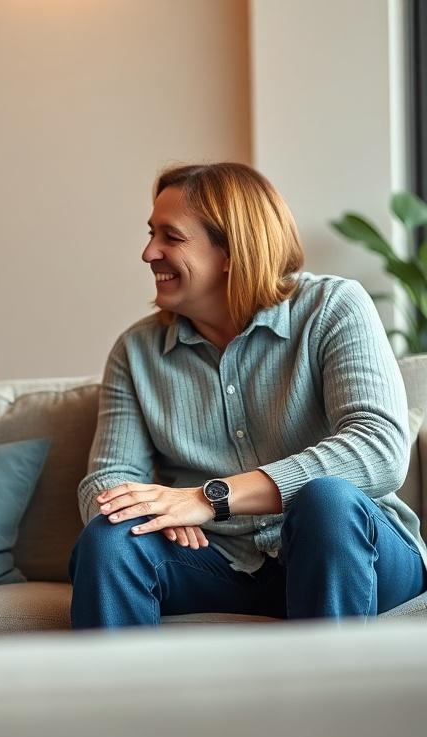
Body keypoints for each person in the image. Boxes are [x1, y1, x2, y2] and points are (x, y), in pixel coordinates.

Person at [69, 162, 427, 628]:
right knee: (110, 537)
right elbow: (108, 477)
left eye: (170, 237)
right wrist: (153, 508)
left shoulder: (333, 307)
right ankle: (115, 702)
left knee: (328, 502)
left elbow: (378, 449)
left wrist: (209, 497)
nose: (148, 253)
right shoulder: (137, 351)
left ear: (232, 250)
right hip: (215, 560)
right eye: (151, 233)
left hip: (346, 550)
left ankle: (328, 698)